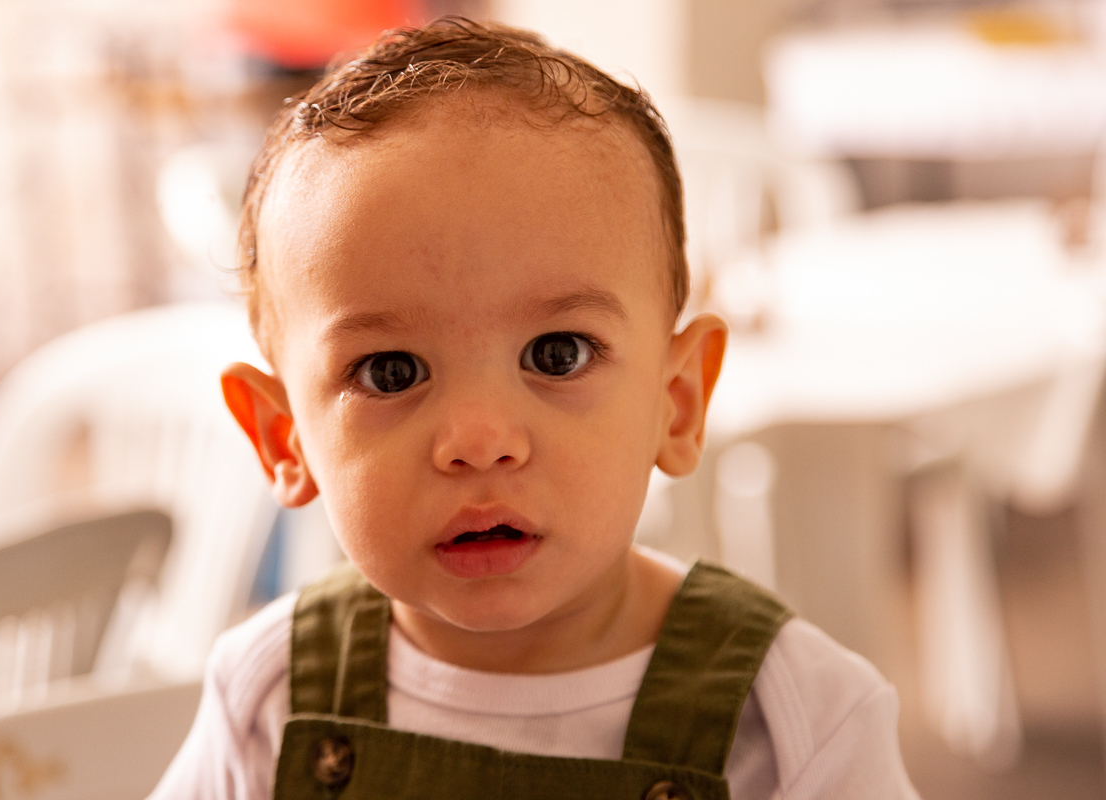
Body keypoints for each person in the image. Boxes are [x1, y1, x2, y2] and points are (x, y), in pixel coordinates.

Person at [148, 17, 919, 800]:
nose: (480, 440)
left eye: (558, 355)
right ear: (283, 437)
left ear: (677, 402)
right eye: (390, 373)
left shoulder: (799, 720)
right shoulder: (269, 697)